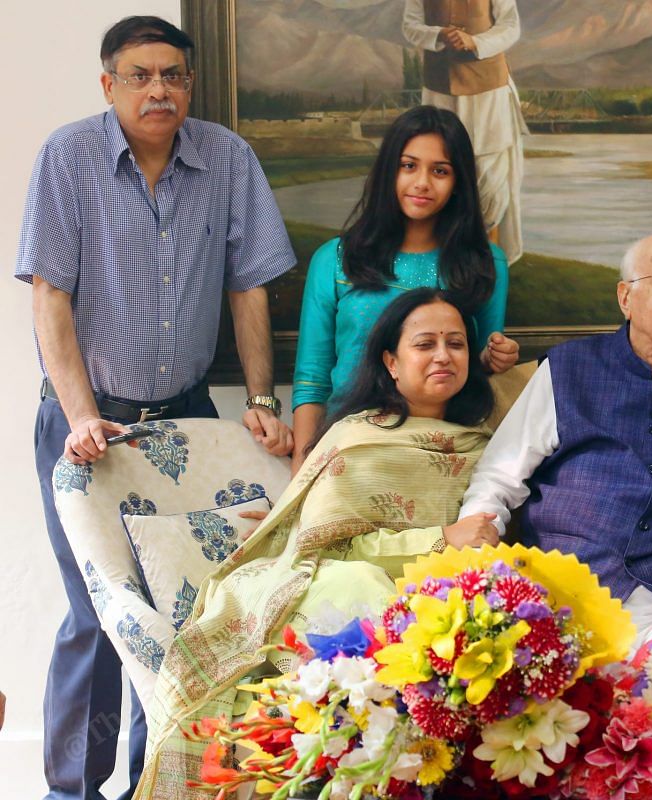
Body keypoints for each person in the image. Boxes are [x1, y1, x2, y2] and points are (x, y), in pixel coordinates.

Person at [14, 16, 296, 800]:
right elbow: (51, 298)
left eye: (172, 75)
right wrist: (78, 416)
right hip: (86, 424)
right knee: (95, 613)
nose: (159, 89)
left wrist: (263, 398)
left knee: (181, 615)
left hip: (186, 424)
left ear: (190, 84)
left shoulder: (228, 159)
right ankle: (73, 789)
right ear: (109, 85)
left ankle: (158, 782)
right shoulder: (68, 157)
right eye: (139, 75)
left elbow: (250, 287)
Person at [135, 288, 501, 798]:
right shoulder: (356, 437)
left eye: (456, 344)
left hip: (443, 596)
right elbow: (327, 546)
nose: (443, 355)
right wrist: (440, 539)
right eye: (426, 343)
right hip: (339, 581)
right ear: (391, 362)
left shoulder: (485, 445)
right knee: (366, 587)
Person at [458, 231, 652, 645]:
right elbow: (498, 478)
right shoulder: (566, 370)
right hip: (564, 605)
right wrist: (477, 550)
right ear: (625, 298)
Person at [291, 105, 518, 473]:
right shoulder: (335, 260)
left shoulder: (484, 262)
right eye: (409, 166)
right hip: (349, 455)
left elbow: (472, 372)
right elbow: (312, 381)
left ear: (459, 182)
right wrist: (301, 480)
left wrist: (496, 359)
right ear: (387, 172)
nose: (422, 182)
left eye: (440, 170)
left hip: (445, 457)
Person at [402, 0, 526, 263]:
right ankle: (445, 261)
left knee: (488, 178)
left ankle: (488, 264)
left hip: (488, 91)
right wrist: (438, 35)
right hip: (439, 90)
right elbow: (410, 26)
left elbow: (511, 26)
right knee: (438, 166)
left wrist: (475, 43)